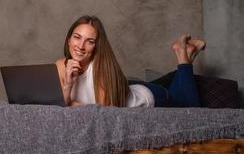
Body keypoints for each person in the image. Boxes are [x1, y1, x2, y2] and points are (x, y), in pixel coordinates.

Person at [56, 15, 206, 107]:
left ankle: (183, 56)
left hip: (146, 97)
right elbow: (57, 103)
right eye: (77, 37)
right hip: (127, 87)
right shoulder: (61, 65)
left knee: (190, 105)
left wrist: (69, 103)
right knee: (171, 85)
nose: (80, 46)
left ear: (96, 47)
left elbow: (101, 114)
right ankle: (187, 52)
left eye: (89, 41)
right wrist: (68, 84)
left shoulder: (100, 71)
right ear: (69, 40)